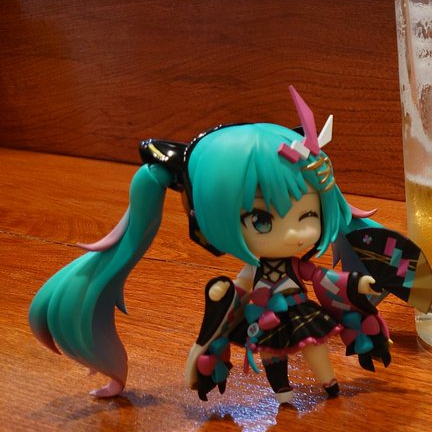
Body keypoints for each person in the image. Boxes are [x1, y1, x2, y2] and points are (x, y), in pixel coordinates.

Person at [30, 87, 400, 400]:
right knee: (273, 356)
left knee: (315, 345)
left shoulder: (294, 265)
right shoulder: (254, 270)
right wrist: (222, 300)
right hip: (267, 318)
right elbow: (241, 288)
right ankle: (283, 393)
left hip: (300, 312)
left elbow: (320, 278)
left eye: (308, 215)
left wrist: (359, 283)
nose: (294, 234)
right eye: (261, 220)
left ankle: (329, 383)